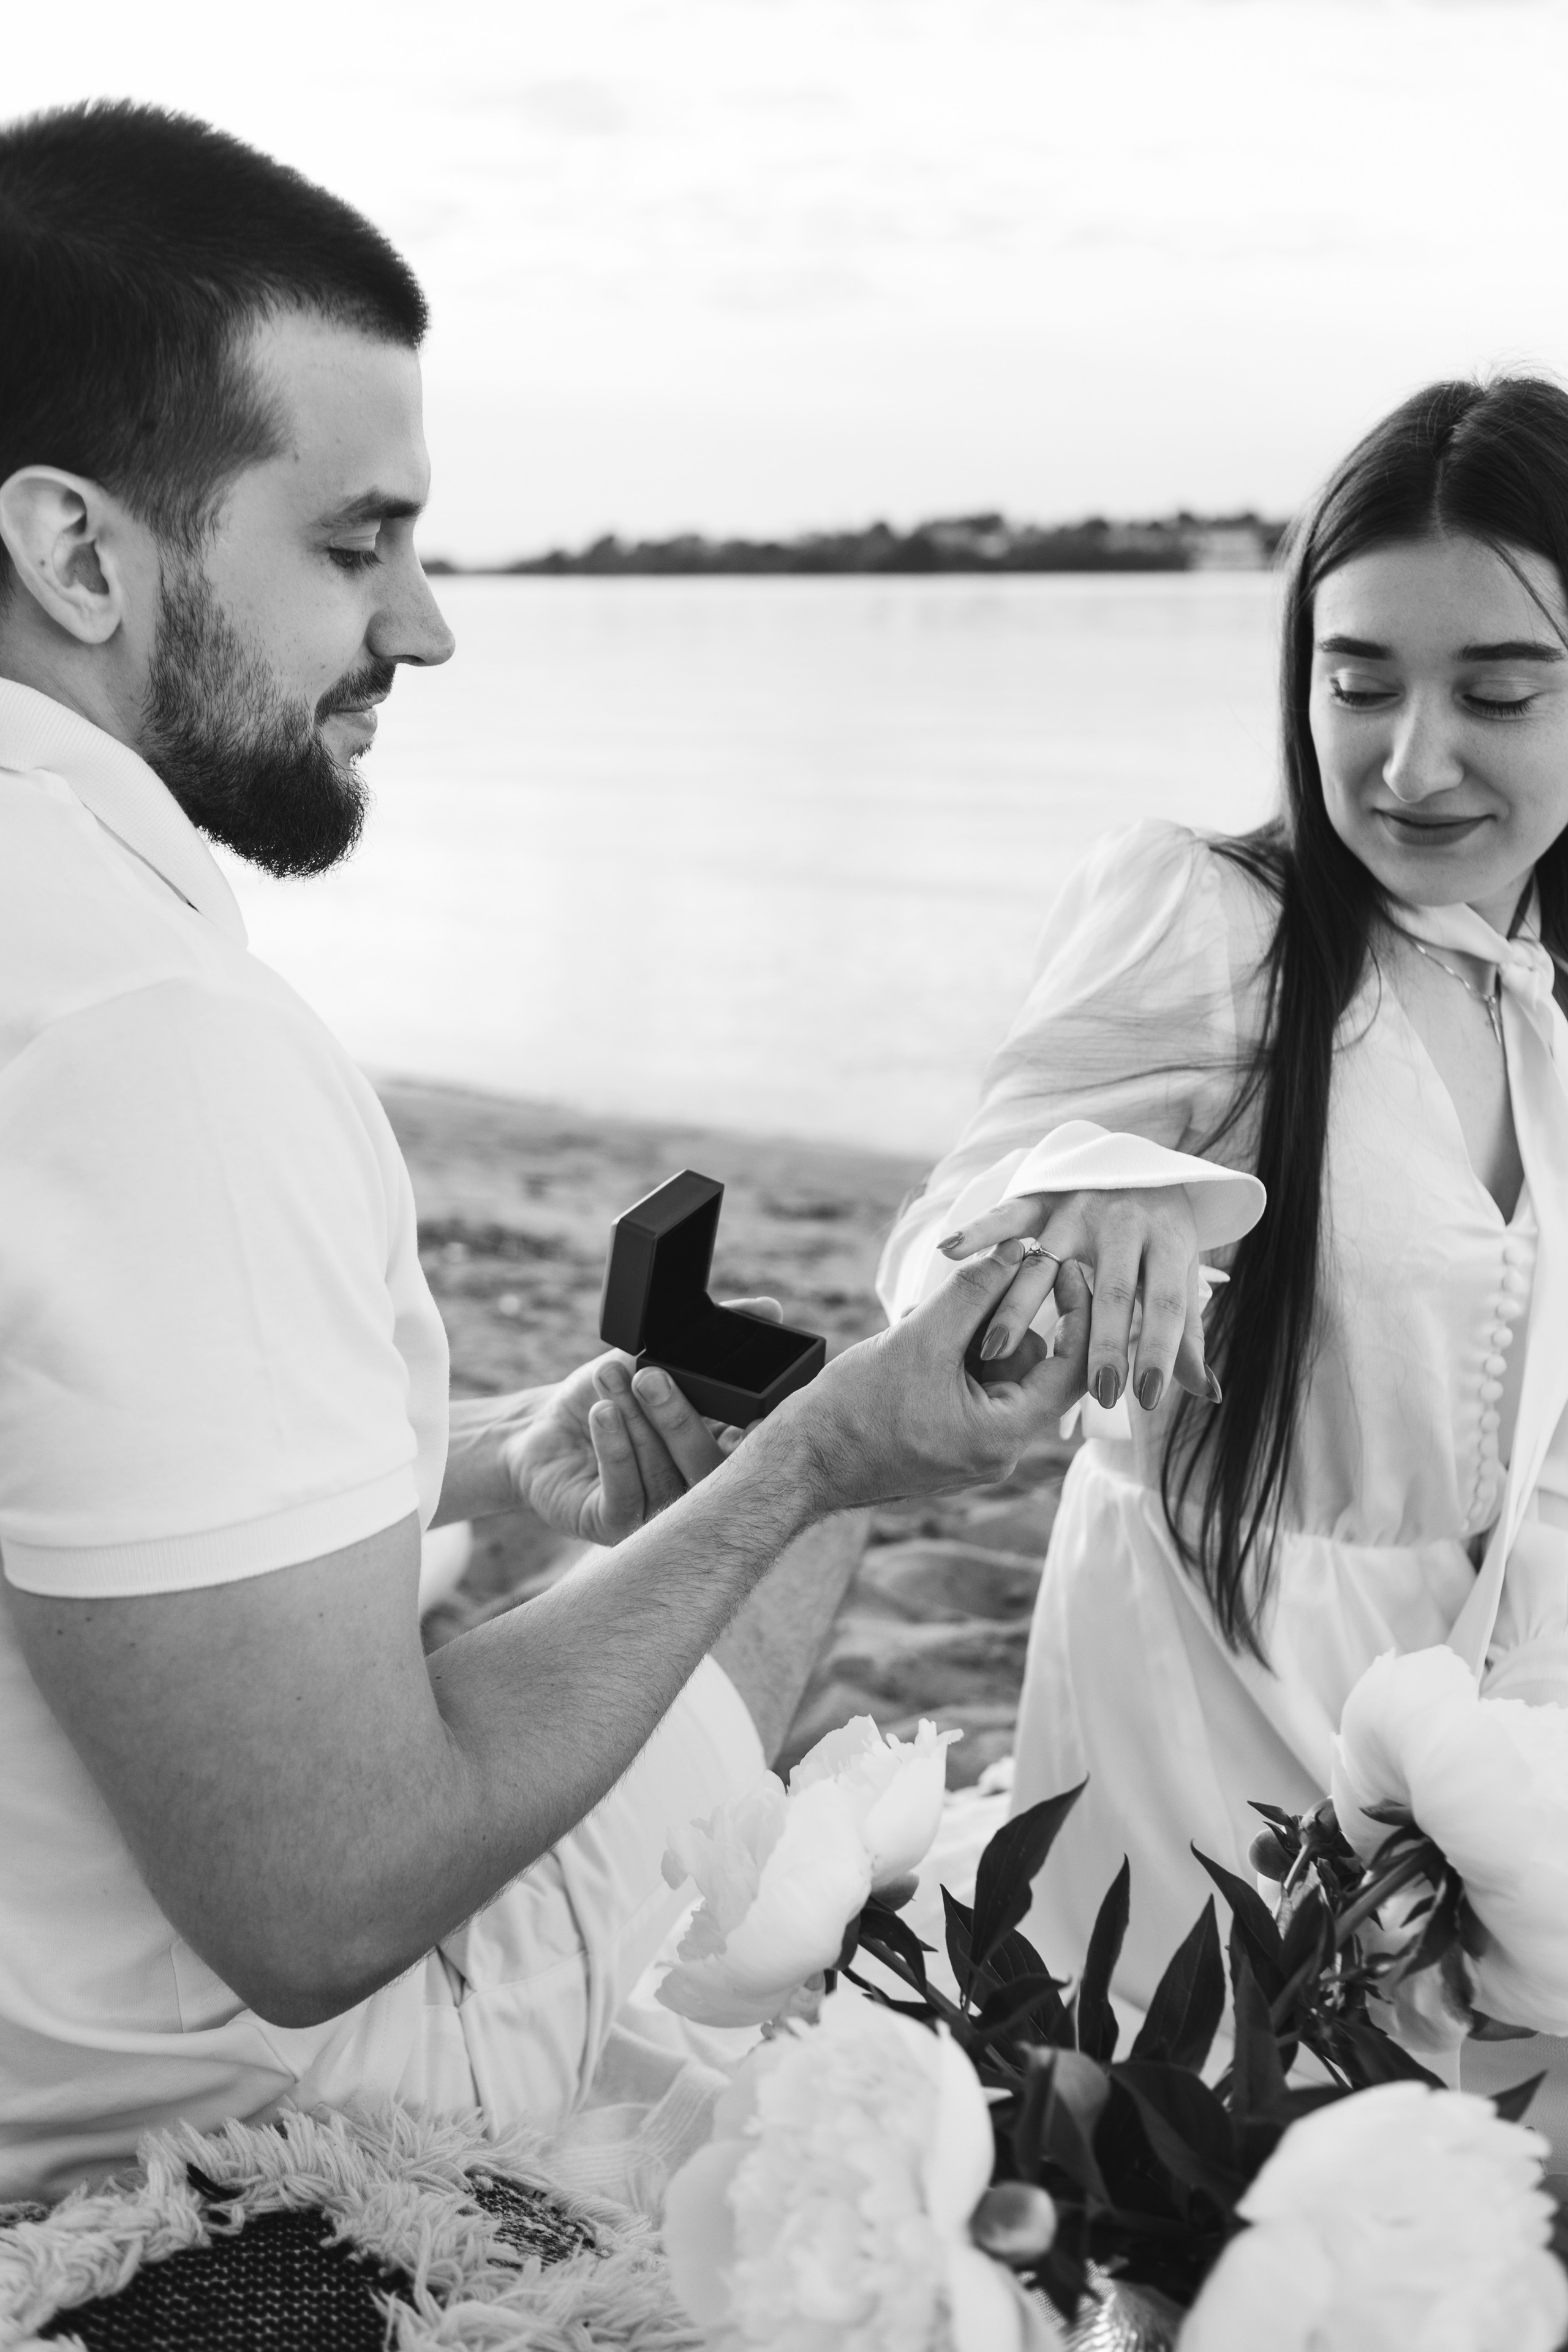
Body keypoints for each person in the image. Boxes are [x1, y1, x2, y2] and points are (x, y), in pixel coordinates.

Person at [0, 100, 1095, 2206]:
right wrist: (817, 1467)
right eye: (351, 543)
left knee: (616, 1519)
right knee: (779, 1516)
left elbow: (80, 1443)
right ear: (77, 552)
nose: (424, 626)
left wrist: (499, 1459)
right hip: (213, 2124)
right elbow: (317, 1904)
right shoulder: (167, 1047)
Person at [879, 375, 1568, 2116]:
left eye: (1498, 692)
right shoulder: (1216, 922)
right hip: (1205, 1710)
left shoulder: (1549, 995)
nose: (1412, 761)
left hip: (1469, 1755)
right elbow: (949, 1262)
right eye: (1359, 683)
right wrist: (1099, 1186)